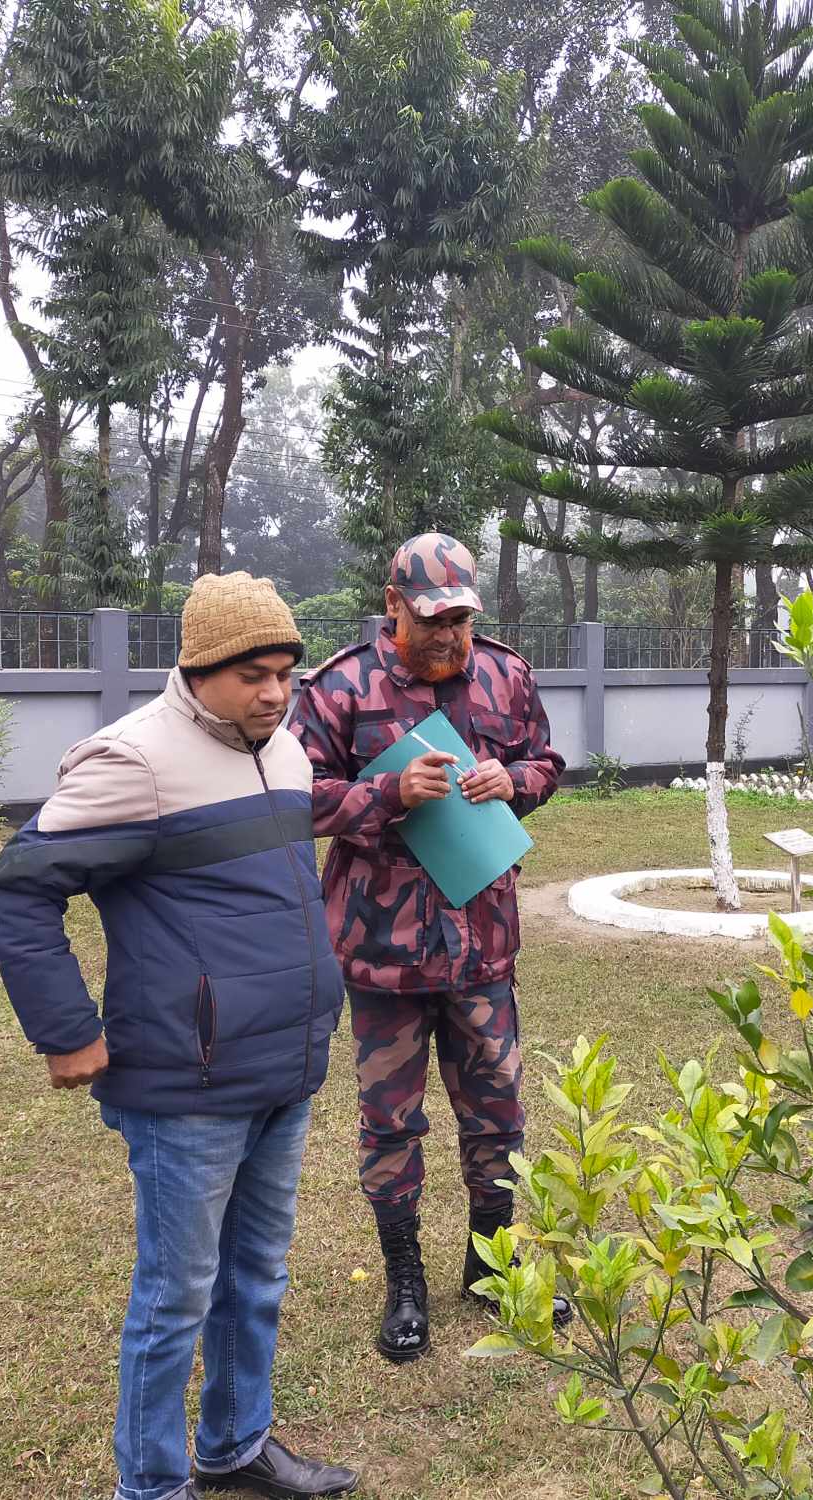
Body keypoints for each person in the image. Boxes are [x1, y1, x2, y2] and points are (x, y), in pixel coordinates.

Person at [0, 572, 358, 1500]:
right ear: (196, 670)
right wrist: (66, 1032)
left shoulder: (287, 752)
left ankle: (234, 1445)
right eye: (252, 676)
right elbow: (16, 892)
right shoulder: (134, 760)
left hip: (283, 1067)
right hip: (187, 1085)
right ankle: (150, 1485)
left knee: (256, 1277)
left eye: (285, 674)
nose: (274, 693)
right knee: (175, 1297)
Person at [289, 532, 569, 1364]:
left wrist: (514, 781)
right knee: (391, 1123)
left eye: (461, 621)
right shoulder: (340, 687)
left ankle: (490, 1265)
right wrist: (383, 792)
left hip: (483, 942)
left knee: (498, 1113)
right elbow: (292, 796)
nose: (449, 637)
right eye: (432, 620)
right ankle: (404, 1280)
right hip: (387, 953)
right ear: (393, 605)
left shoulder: (506, 675)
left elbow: (546, 760)